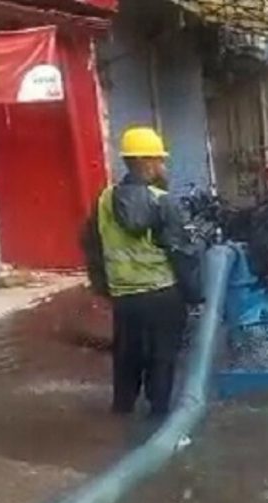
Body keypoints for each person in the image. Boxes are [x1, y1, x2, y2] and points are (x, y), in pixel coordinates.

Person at [81, 127, 203, 418]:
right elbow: (181, 254)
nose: (163, 166)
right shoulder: (164, 202)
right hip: (163, 295)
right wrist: (195, 294)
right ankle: (158, 415)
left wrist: (104, 288)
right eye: (160, 160)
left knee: (126, 356)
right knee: (163, 356)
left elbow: (91, 245)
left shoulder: (104, 201)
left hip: (125, 297)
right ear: (147, 163)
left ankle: (121, 410)